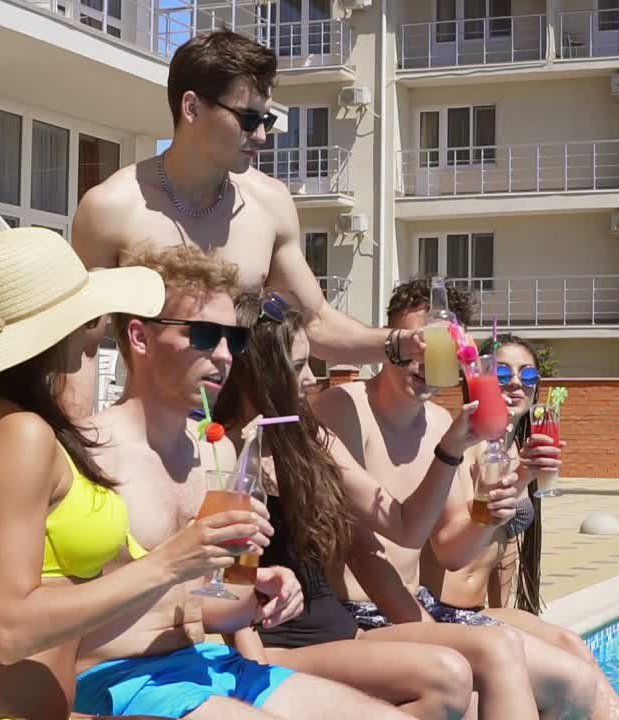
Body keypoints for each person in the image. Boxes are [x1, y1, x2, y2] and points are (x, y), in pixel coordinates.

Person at [0, 30, 425, 418]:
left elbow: (316, 323)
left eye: (268, 120)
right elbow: (84, 345)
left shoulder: (271, 203)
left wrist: (402, 344)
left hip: (243, 438)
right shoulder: (112, 207)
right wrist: (81, 455)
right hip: (149, 443)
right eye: (248, 118)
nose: (261, 135)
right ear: (192, 107)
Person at [0, 228, 271, 720]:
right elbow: (10, 630)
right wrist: (172, 562)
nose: (99, 321)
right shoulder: (21, 432)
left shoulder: (20, 418)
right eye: (85, 309)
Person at [70, 245, 415, 720]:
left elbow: (222, 605)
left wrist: (260, 591)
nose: (224, 355)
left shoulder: (218, 451)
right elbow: (46, 612)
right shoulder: (87, 451)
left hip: (202, 663)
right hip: (115, 678)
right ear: (140, 336)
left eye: (233, 339)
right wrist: (177, 563)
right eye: (206, 335)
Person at [212, 291, 549, 719]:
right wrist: (250, 658)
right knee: (448, 677)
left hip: (339, 632)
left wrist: (450, 449)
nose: (313, 381)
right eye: (298, 368)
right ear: (258, 373)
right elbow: (227, 572)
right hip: (281, 644)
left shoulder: (311, 440)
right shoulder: (224, 450)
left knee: (498, 646)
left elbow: (405, 526)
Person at [312, 278, 601, 720]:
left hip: (415, 606)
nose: (426, 361)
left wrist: (494, 508)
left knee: (575, 680)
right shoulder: (341, 408)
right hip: (358, 613)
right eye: (416, 346)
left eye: (441, 350)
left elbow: (450, 550)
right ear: (392, 341)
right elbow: (362, 551)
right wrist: (429, 631)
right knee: (507, 674)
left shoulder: (436, 421)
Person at [422, 335, 619, 720]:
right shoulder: (460, 445)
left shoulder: (515, 451)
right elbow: (450, 551)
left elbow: (502, 554)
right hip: (437, 609)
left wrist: (518, 620)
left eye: (527, 373)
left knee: (574, 646)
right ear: (477, 378)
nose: (516, 382)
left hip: (476, 611)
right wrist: (521, 479)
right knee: (568, 680)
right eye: (502, 371)